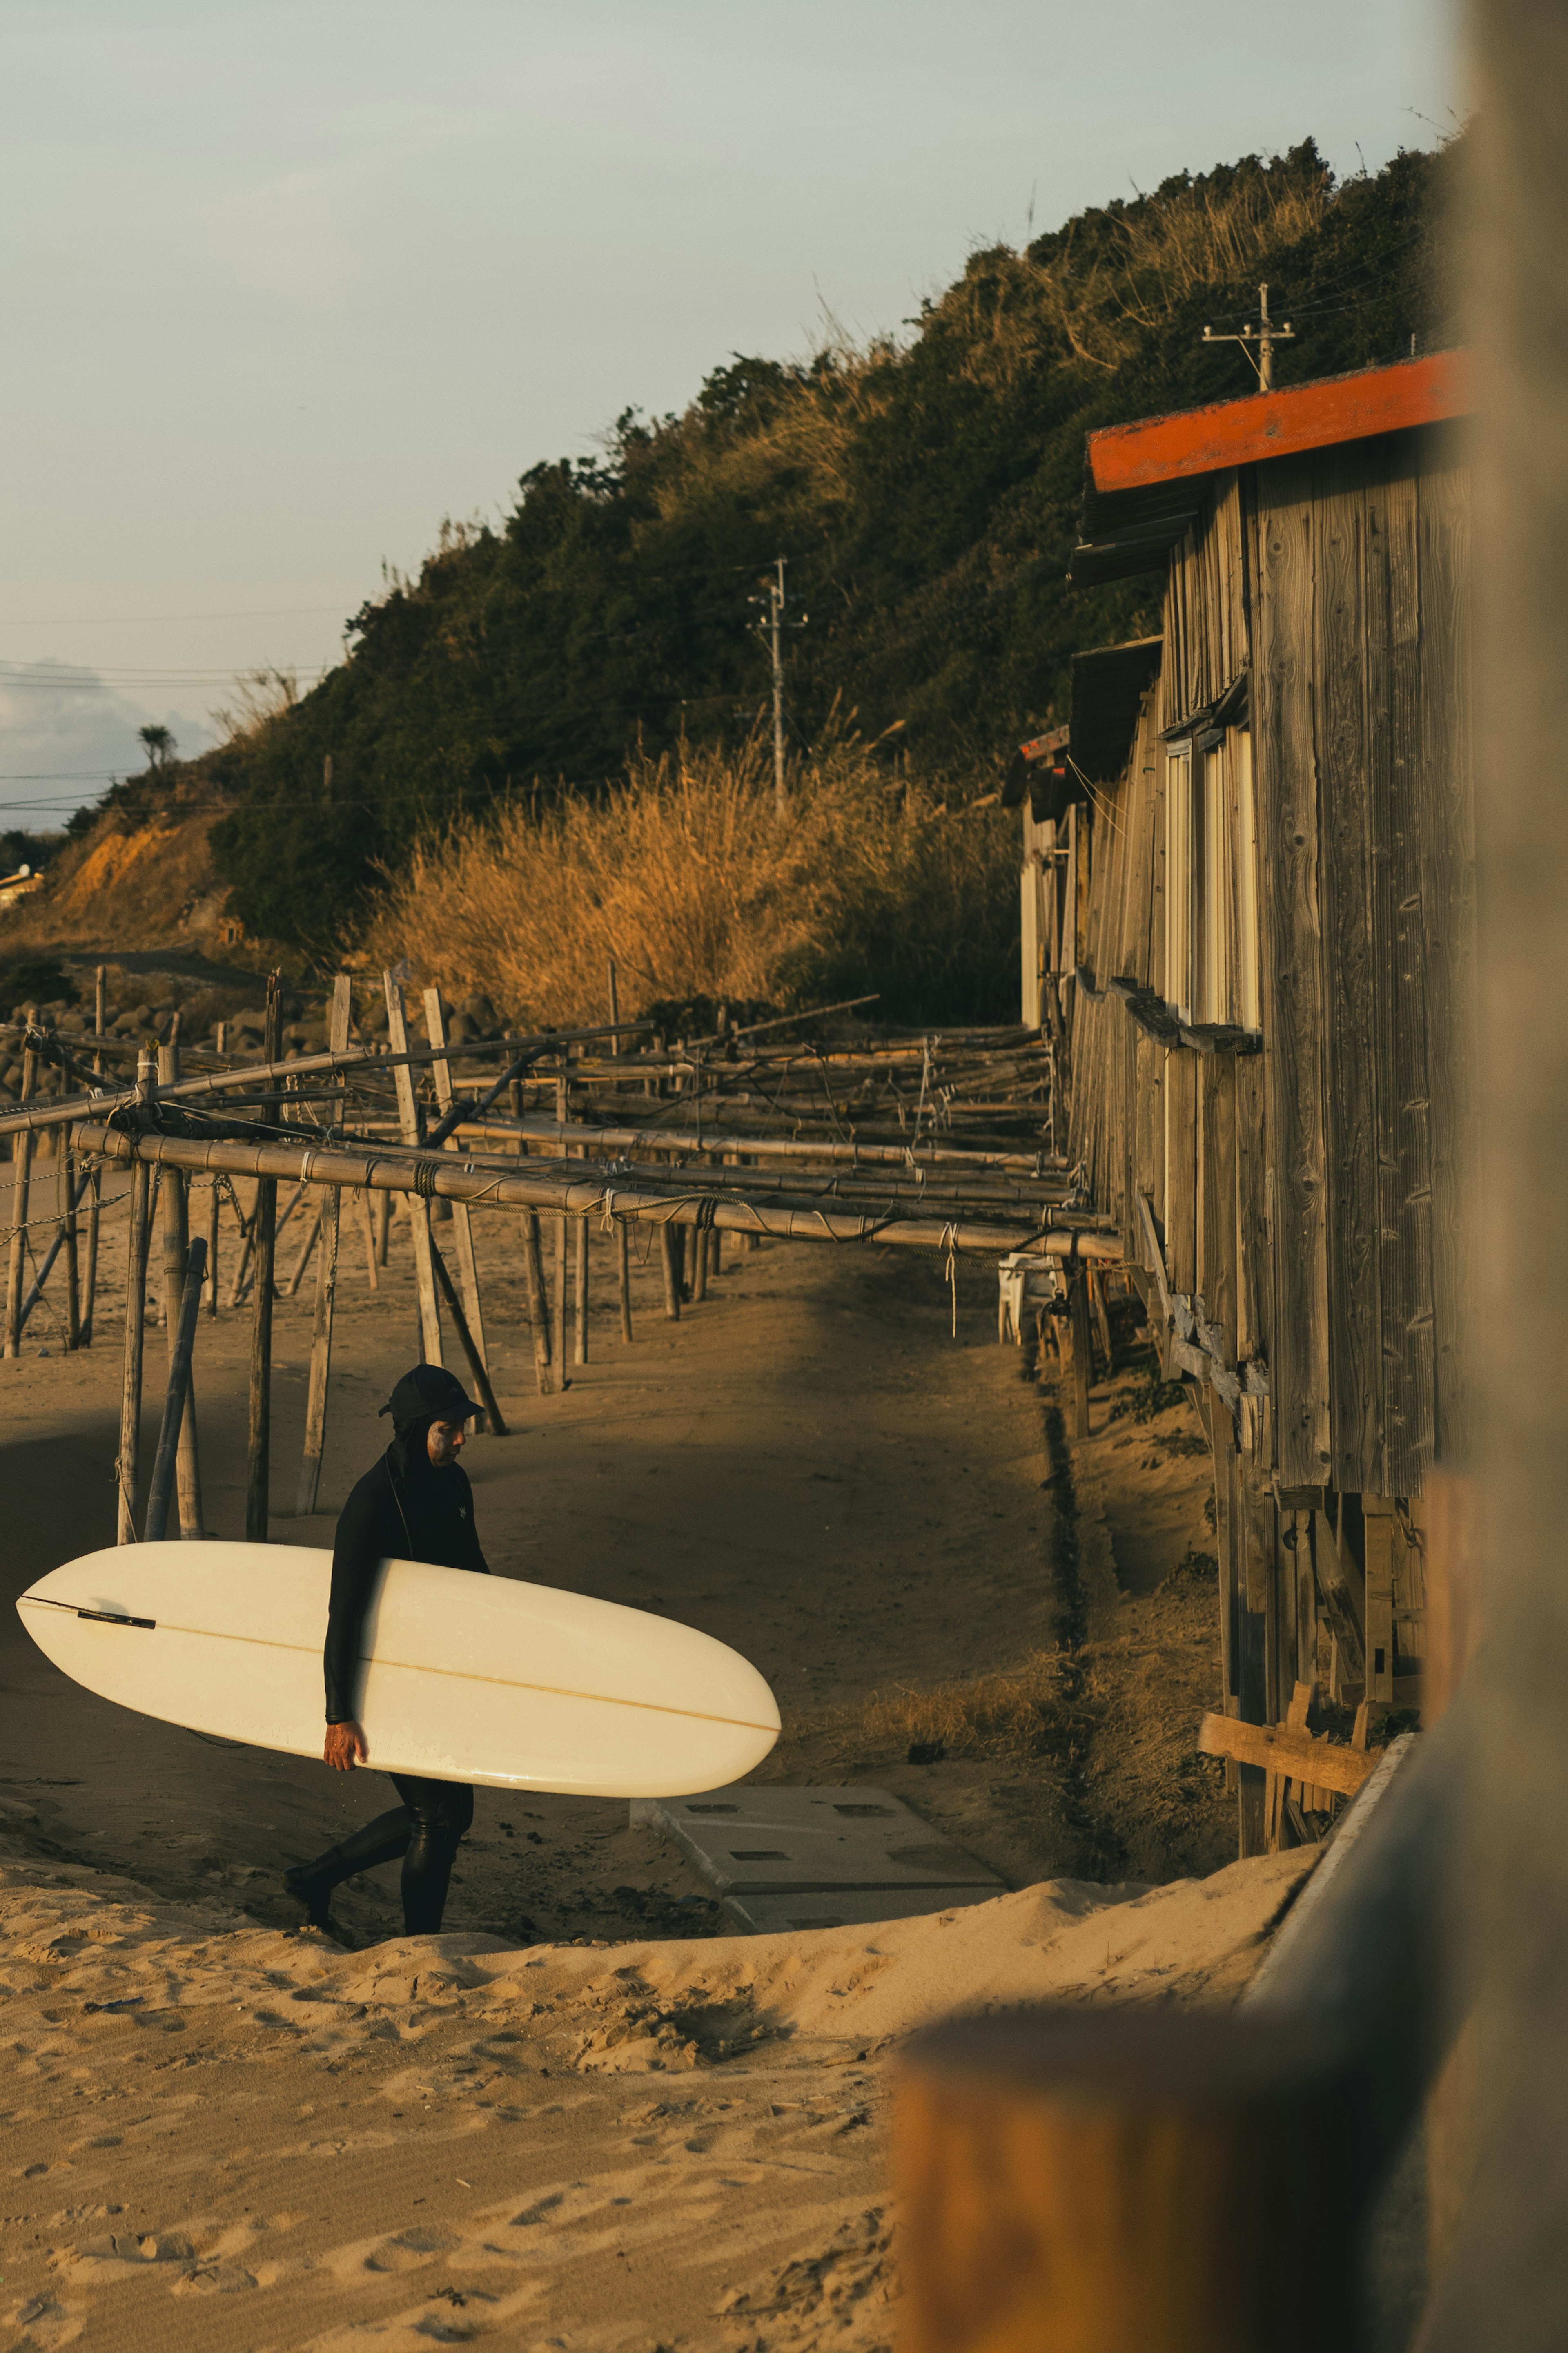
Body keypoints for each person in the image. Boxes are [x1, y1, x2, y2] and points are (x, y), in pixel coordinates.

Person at [284, 1363, 488, 1942]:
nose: (461, 1439)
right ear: (418, 1429)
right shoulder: (372, 1502)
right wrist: (337, 1714)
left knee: (456, 1816)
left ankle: (315, 1878)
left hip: (438, 1671)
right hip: (384, 1675)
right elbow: (342, 1612)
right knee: (438, 1816)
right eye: (449, 1429)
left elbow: (476, 1574)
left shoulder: (454, 1484)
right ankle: (420, 1946)